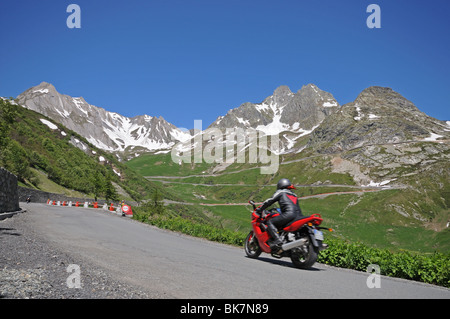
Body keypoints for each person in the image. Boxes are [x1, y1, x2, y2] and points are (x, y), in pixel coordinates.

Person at [256, 178, 303, 251]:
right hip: (299, 216)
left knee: (270, 222)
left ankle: (278, 240)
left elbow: (269, 201)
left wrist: (260, 209)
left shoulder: (280, 192)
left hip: (289, 214)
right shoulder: (294, 195)